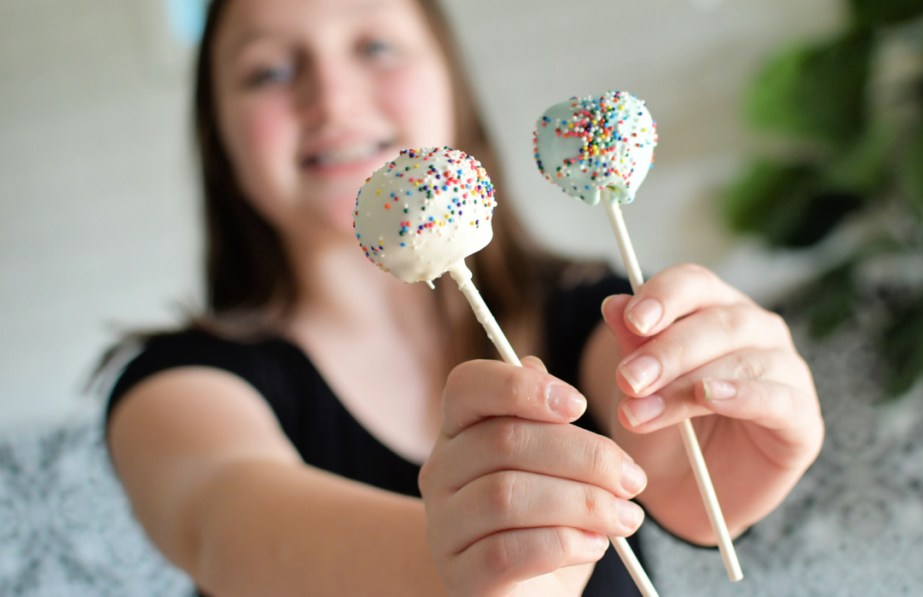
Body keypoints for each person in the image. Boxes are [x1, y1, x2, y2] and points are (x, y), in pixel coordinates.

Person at [101, 0, 825, 595]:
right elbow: (230, 529)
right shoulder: (179, 387)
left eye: (376, 45)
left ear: (451, 79)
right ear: (217, 134)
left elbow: (672, 457)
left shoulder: (586, 310)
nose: (332, 97)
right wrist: (466, 570)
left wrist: (713, 463)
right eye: (269, 70)